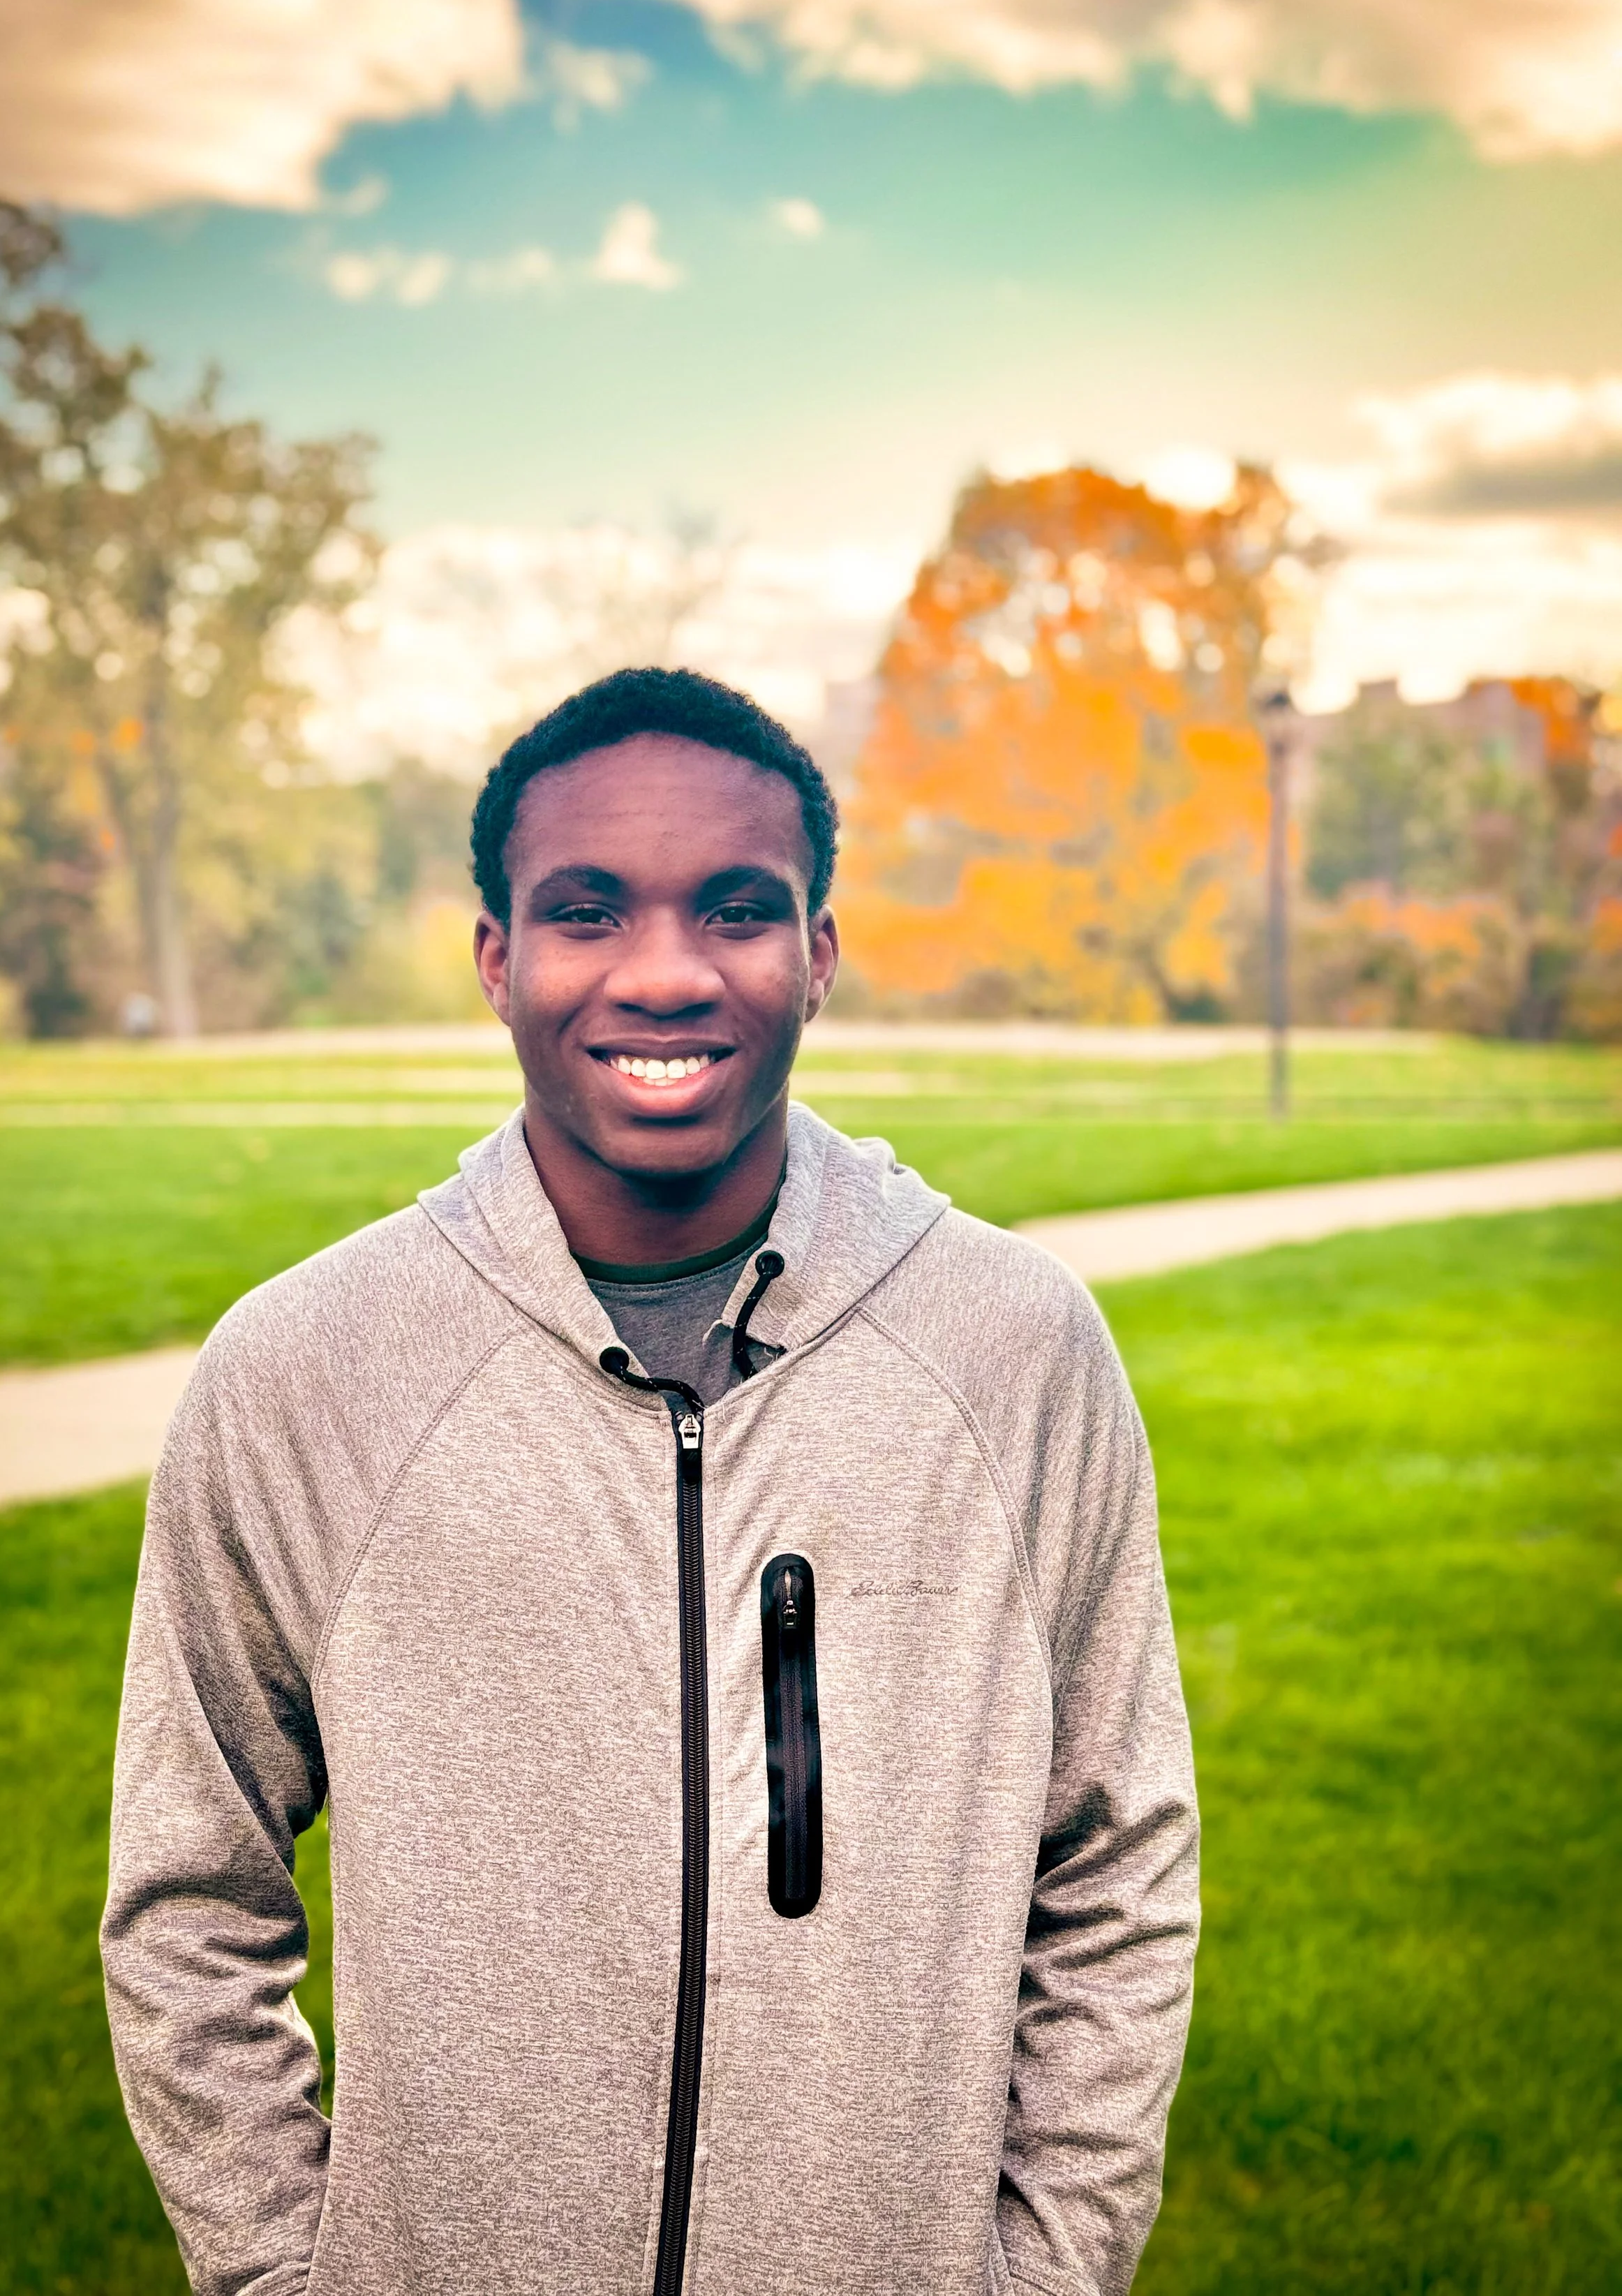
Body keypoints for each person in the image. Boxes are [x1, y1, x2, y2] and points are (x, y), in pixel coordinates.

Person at [101, 666, 1198, 2296]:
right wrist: (283, 2274)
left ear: (817, 953)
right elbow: (190, 1891)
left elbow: (1114, 1856)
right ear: (498, 959)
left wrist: (1041, 2274)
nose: (667, 972)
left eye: (737, 910)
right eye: (588, 910)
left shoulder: (1012, 1347)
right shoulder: (304, 1370)